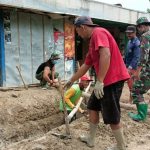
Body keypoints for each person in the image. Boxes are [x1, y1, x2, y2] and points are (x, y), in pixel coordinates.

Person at [64, 16, 130, 150]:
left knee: (112, 115)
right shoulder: (92, 43)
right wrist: (71, 80)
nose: (79, 35)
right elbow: (85, 66)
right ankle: (91, 139)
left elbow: (106, 55)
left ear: (82, 27)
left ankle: (121, 146)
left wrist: (99, 81)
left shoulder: (99, 33)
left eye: (78, 32)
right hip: (104, 82)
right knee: (93, 107)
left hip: (112, 80)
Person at [128, 17, 150, 121]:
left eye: (139, 28)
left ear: (142, 26)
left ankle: (141, 116)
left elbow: (143, 56)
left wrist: (138, 71)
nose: (139, 30)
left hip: (147, 70)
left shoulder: (145, 36)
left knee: (136, 90)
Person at [125, 26, 141, 103]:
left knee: (134, 83)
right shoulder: (129, 42)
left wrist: (130, 68)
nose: (128, 35)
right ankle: (132, 98)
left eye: (130, 33)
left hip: (134, 67)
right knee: (130, 83)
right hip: (128, 65)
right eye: (127, 33)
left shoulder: (137, 43)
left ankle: (134, 99)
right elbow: (127, 55)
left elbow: (136, 57)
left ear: (134, 33)